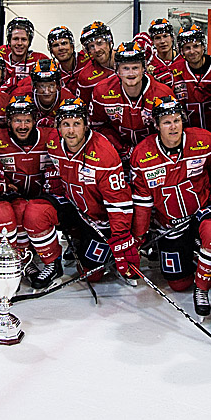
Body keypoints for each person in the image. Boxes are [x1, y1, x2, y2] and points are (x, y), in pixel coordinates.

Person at [129, 98, 211, 313]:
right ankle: (188, 257)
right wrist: (139, 237)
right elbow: (143, 201)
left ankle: (206, 274)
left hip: (200, 215)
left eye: (177, 120)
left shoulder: (204, 141)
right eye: (167, 122)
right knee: (178, 284)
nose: (173, 126)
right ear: (156, 125)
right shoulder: (142, 154)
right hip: (169, 225)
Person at [46, 98, 138, 283]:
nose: (71, 131)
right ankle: (64, 252)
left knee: (91, 275)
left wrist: (120, 239)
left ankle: (106, 252)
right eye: (66, 124)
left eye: (76, 124)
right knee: (37, 212)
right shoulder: (53, 143)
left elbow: (118, 201)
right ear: (58, 127)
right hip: (76, 209)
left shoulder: (103, 153)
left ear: (86, 125)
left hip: (101, 220)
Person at [0, 95, 65, 288]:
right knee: (14, 210)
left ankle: (53, 263)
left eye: (27, 120)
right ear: (8, 122)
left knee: (34, 211)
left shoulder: (48, 135)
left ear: (35, 121)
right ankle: (20, 260)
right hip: (14, 199)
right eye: (17, 120)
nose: (23, 125)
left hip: (44, 200)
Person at [90, 40, 175, 162]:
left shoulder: (162, 93)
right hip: (117, 153)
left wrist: (148, 150)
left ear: (143, 68)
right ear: (117, 69)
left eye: (135, 67)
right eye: (125, 68)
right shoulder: (102, 90)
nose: (130, 73)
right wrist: (120, 148)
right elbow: (97, 126)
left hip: (155, 154)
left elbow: (172, 130)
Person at [172, 24, 211, 132]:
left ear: (203, 46)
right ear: (181, 50)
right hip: (189, 134)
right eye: (187, 48)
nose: (192, 51)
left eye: (196, 46)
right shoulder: (175, 70)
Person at [9, 58, 77, 128]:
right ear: (35, 86)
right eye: (42, 86)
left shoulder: (68, 98)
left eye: (51, 85)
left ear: (58, 85)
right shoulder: (19, 95)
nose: (47, 91)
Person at [0, 17, 48, 89]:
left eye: (24, 39)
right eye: (15, 39)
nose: (19, 43)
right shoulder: (0, 55)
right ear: (9, 40)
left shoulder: (39, 60)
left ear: (29, 41)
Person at [74, 21, 117, 105]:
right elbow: (83, 107)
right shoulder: (85, 77)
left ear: (109, 41)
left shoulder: (129, 61)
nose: (96, 50)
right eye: (91, 46)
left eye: (99, 43)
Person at [147, 18, 184, 83]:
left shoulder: (184, 61)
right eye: (158, 38)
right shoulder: (149, 65)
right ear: (153, 41)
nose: (162, 41)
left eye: (165, 36)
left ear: (172, 38)